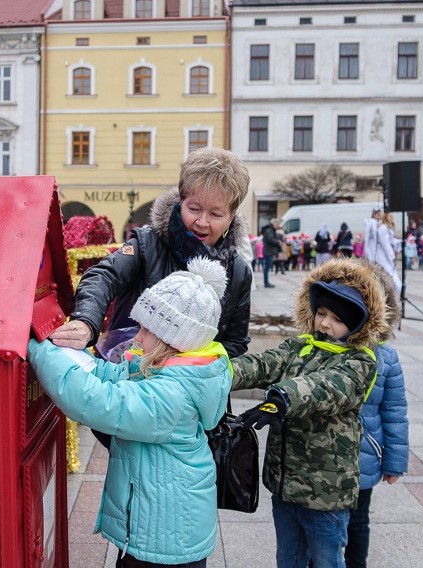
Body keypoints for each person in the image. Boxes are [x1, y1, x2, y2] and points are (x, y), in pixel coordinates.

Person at [27, 258, 232, 568]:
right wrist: (72, 352)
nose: (137, 337)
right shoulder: (167, 370)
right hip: (159, 529)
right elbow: (109, 375)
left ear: (172, 342)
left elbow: (98, 400)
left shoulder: (172, 396)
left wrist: (37, 346)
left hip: (166, 543)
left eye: (146, 330)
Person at [230, 258, 387, 568]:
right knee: (287, 559)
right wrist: (218, 372)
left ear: (356, 324)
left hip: (324, 495)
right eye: (322, 313)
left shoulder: (360, 362)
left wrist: (282, 398)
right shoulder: (299, 346)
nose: (326, 323)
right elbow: (262, 364)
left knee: (327, 560)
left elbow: (325, 387)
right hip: (285, 486)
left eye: (338, 319)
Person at [50, 146, 253, 360]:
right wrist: (86, 321)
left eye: (216, 214)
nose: (202, 222)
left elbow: (235, 342)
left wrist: (191, 367)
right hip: (128, 378)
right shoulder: (148, 244)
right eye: (193, 209)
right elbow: (103, 276)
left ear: (231, 216)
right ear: (181, 202)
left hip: (192, 388)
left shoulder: (238, 272)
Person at [345, 262, 409, 568]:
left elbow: (395, 412)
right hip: (322, 462)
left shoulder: (385, 357)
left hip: (363, 457)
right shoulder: (320, 350)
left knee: (358, 522)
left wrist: (394, 461)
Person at [372, 213, 401, 295]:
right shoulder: (383, 228)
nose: (392, 218)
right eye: (390, 216)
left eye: (393, 216)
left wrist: (400, 242)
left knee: (392, 279)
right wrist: (391, 256)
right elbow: (386, 244)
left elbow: (391, 241)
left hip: (386, 256)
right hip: (383, 256)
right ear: (386, 217)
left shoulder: (388, 227)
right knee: (391, 278)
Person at [261, 218, 283, 287]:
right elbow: (270, 239)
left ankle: (267, 283)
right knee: (267, 268)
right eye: (277, 224)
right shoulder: (270, 230)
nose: (278, 225)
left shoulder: (271, 230)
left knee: (267, 268)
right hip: (268, 252)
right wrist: (278, 242)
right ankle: (266, 283)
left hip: (268, 251)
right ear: (274, 224)